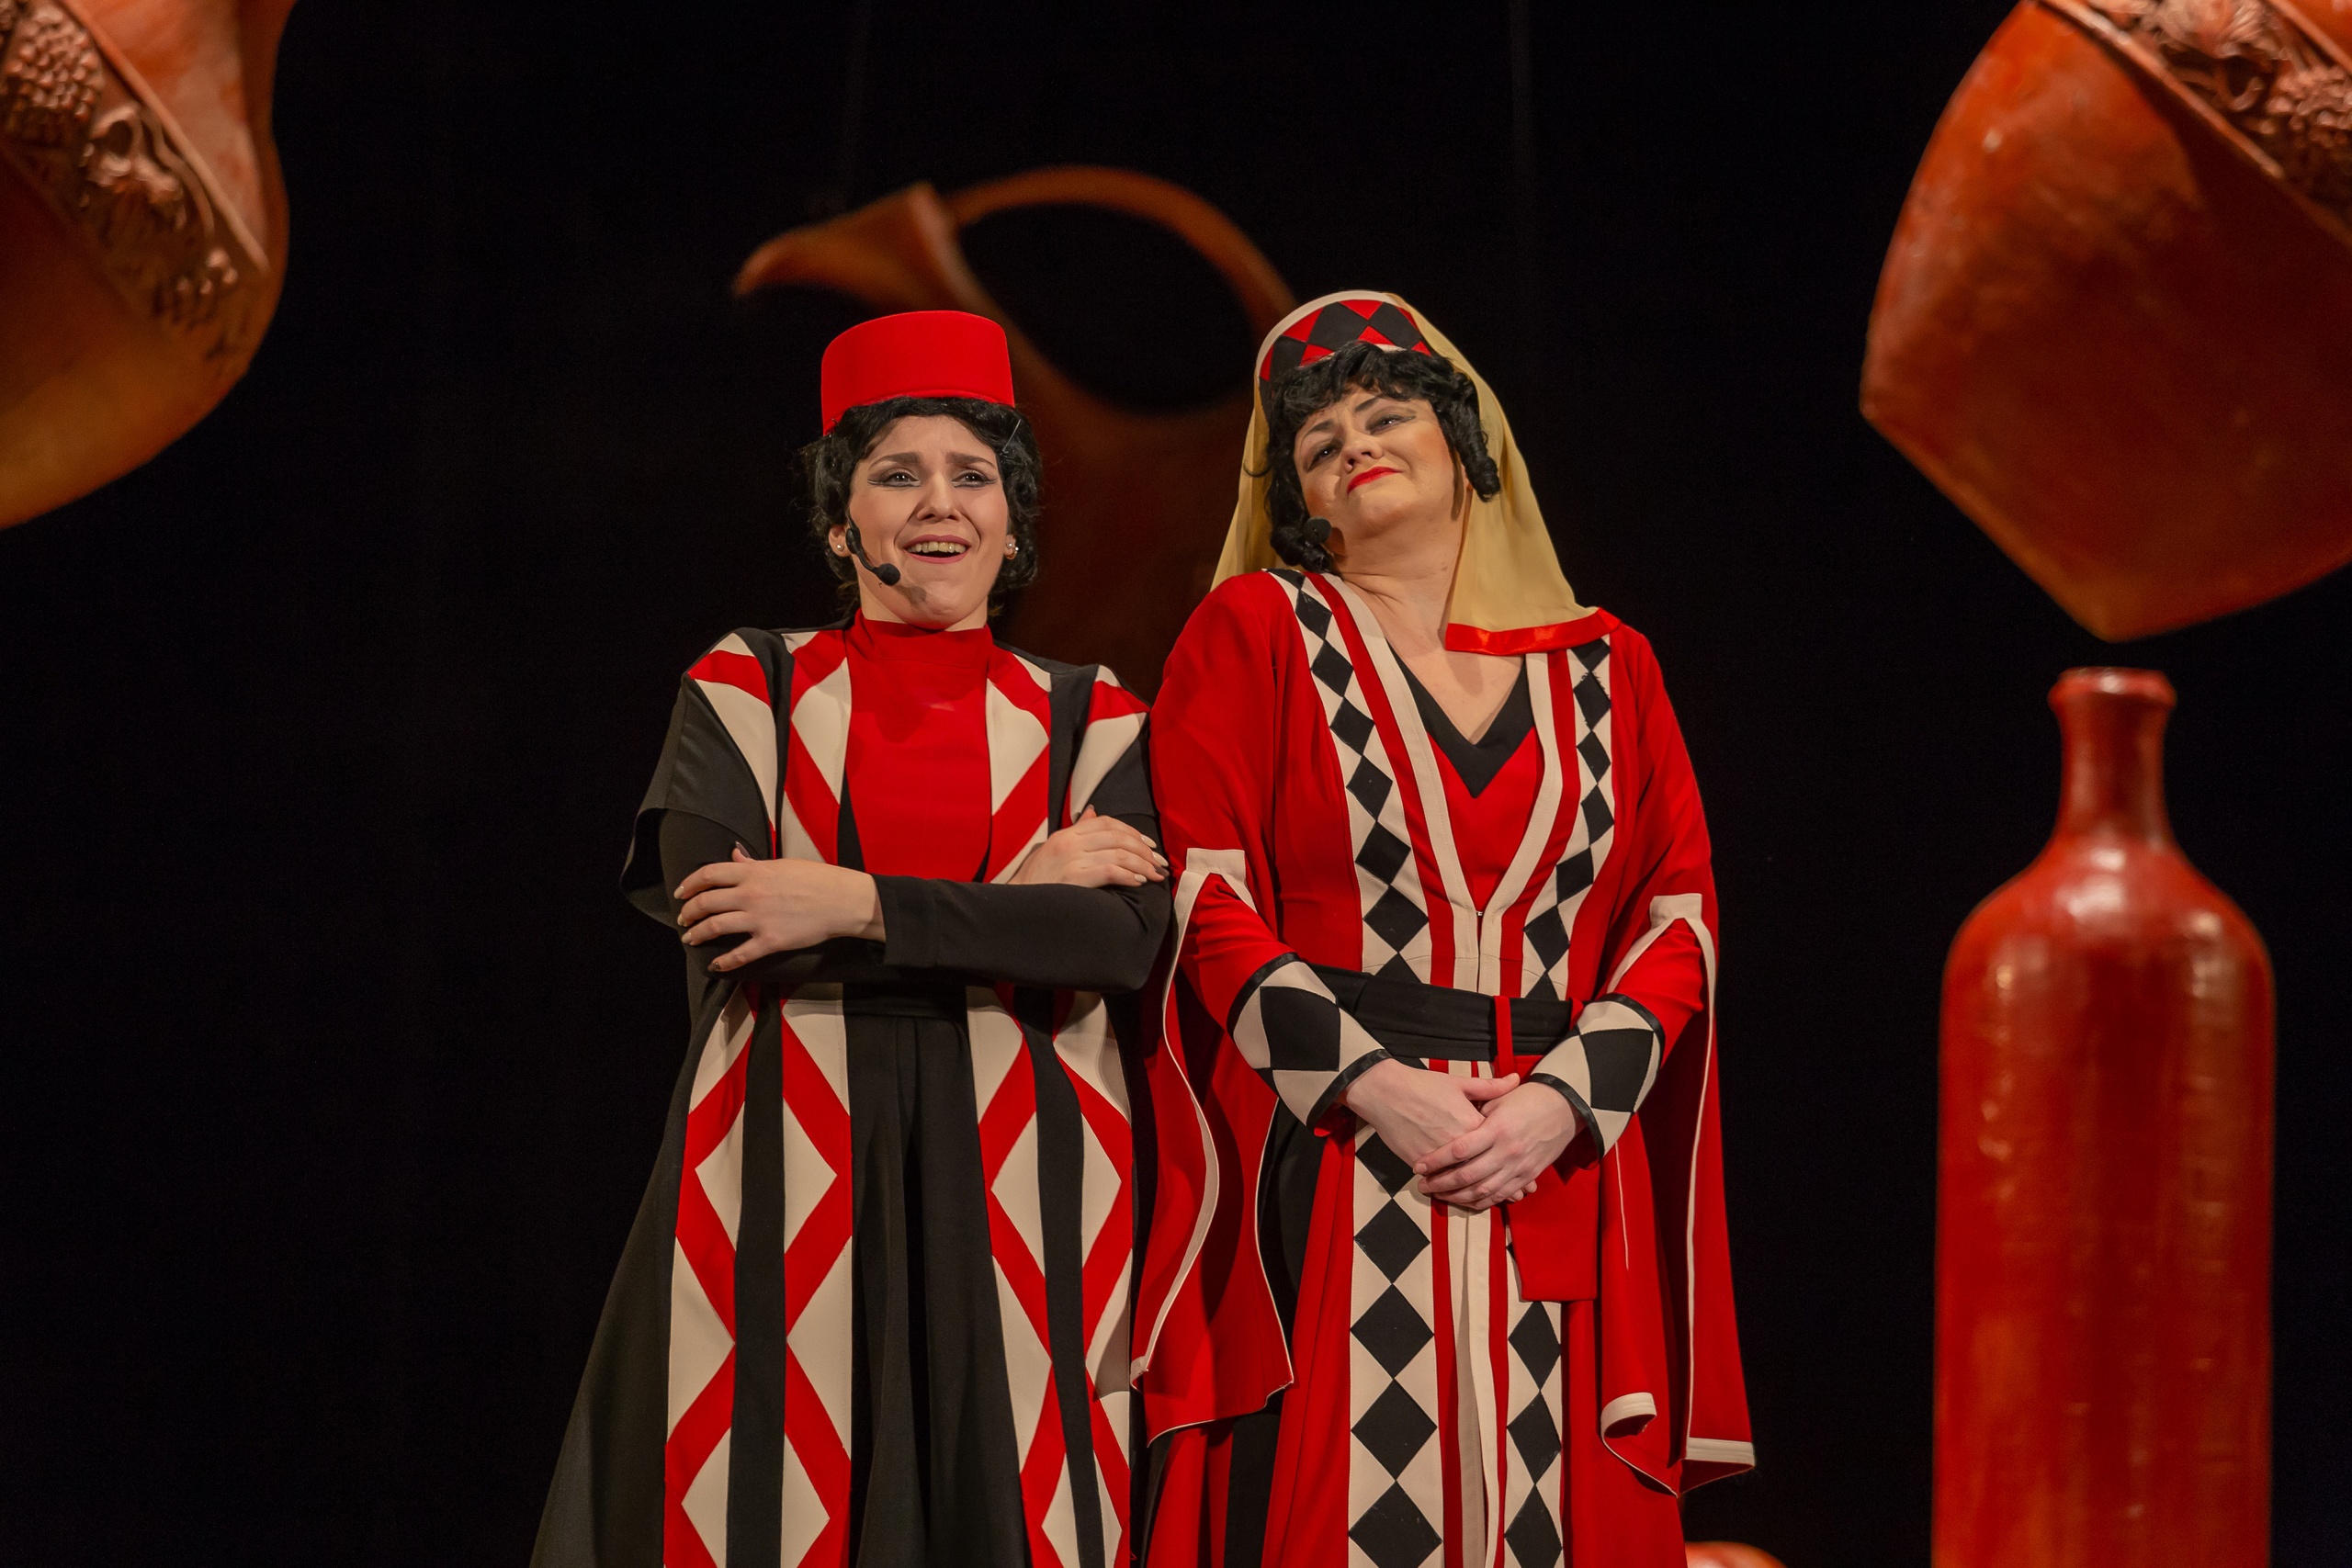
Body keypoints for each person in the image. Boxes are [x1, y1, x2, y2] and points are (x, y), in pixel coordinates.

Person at [534, 310, 1170, 1568]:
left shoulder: (1094, 715)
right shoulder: (748, 687)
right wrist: (1020, 899)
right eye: (896, 473)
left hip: (1027, 1186)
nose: (939, 503)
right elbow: (734, 926)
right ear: (841, 523)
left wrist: (853, 902)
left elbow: (1117, 946)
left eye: (972, 474)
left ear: (1011, 521)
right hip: (784, 1165)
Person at [1134, 293, 1751, 1568]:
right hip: (1342, 1159)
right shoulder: (1258, 632)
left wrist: (1564, 1105)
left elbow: (1678, 917)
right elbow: (1204, 897)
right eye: (1320, 443)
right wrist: (1375, 1086)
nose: (1355, 444)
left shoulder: (1611, 666)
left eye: (1387, 414)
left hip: (1552, 1164)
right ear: (1300, 501)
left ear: (1467, 443)